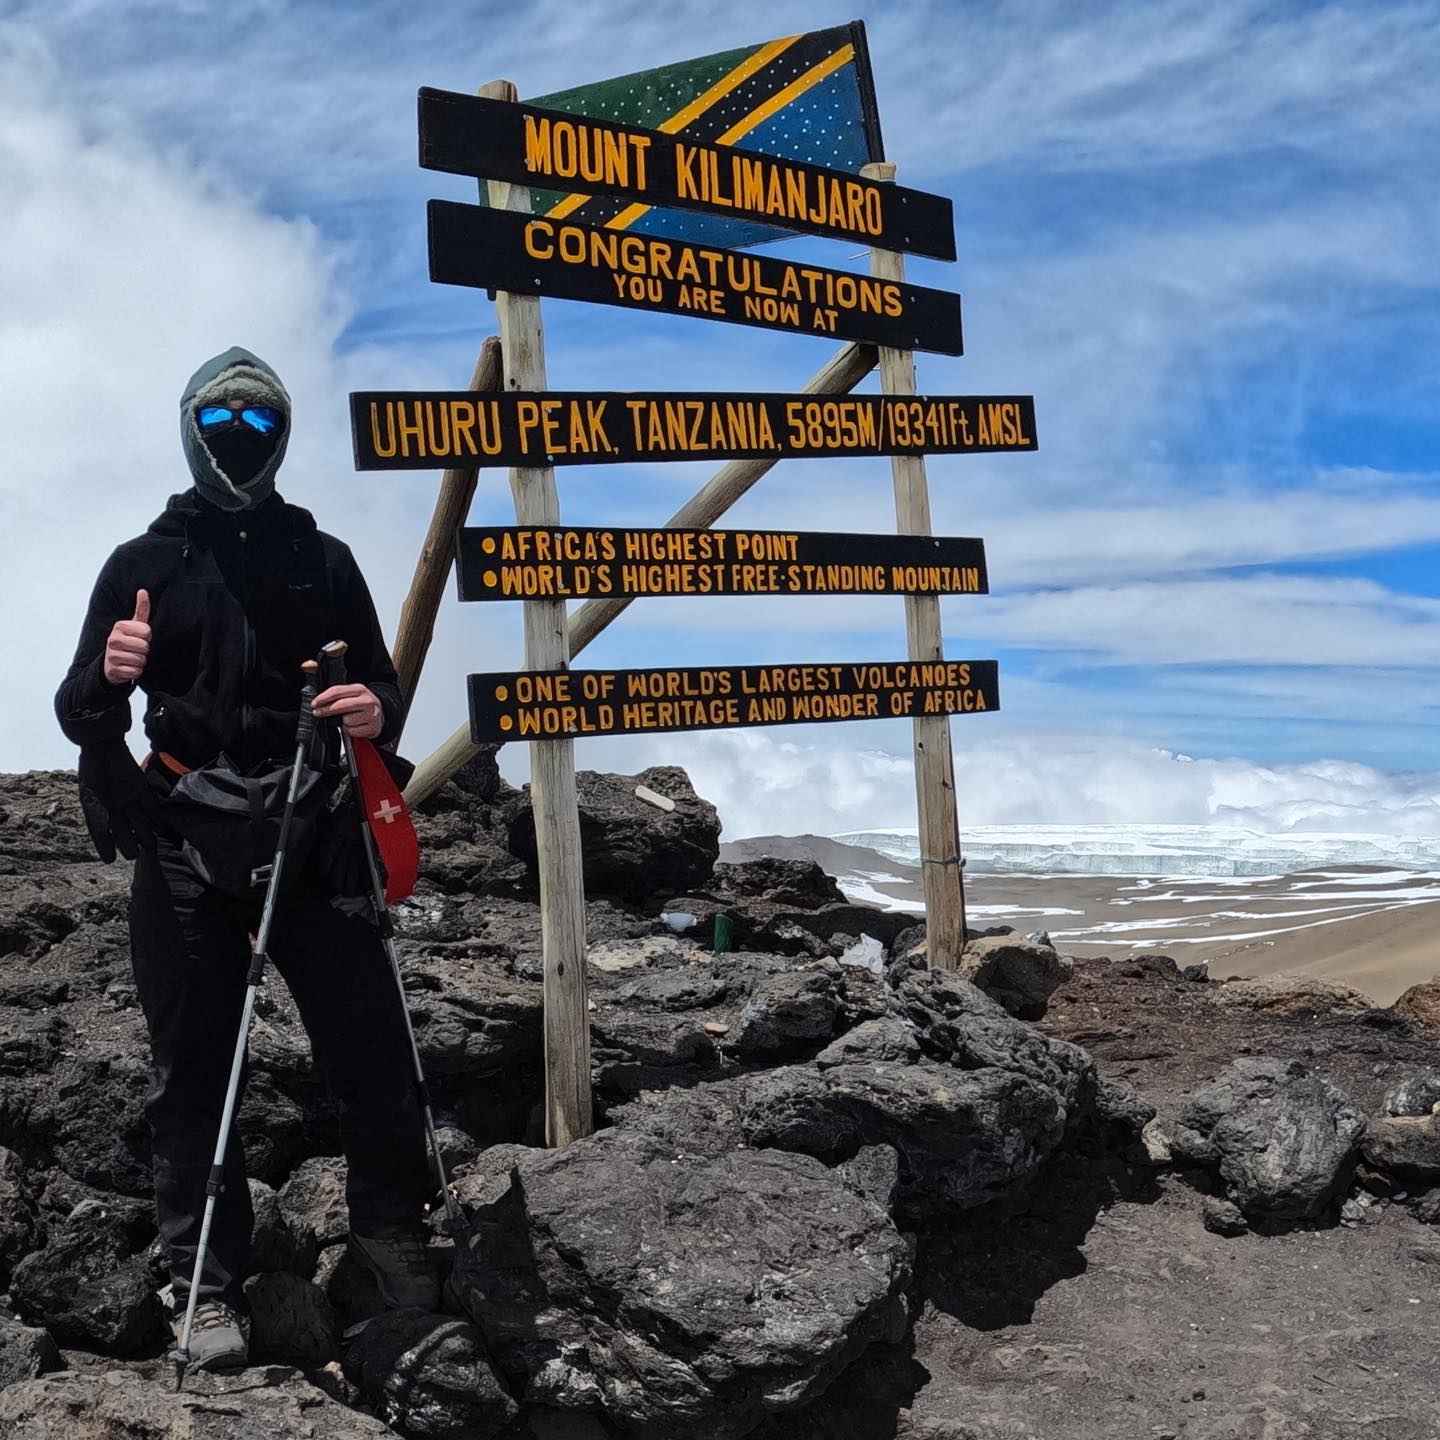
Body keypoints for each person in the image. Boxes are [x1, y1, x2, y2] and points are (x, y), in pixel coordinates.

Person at [54, 346, 439, 1372]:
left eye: (257, 426)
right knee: (194, 1073)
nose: (238, 443)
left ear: (281, 435)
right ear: (190, 431)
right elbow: (80, 714)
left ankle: (389, 1240)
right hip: (184, 842)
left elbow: (385, 691)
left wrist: (373, 710)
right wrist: (108, 670)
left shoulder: (325, 560)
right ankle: (204, 1286)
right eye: (220, 426)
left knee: (372, 1054)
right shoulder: (142, 565)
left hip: (312, 833)